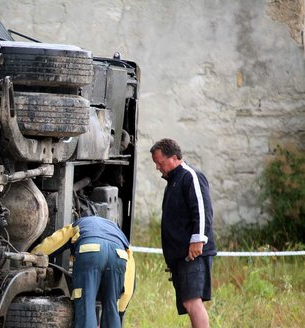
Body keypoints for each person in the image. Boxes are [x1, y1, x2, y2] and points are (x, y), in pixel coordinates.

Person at [150, 138, 216, 328]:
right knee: (190, 303)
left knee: (192, 302)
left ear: (174, 158)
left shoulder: (190, 176)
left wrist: (198, 241)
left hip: (192, 254)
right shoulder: (173, 182)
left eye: (160, 162)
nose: (157, 168)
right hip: (181, 256)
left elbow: (203, 210)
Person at [30, 215, 135, 328]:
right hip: (119, 255)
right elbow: (129, 284)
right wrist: (120, 312)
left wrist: (32, 255)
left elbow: (53, 242)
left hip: (90, 250)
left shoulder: (78, 224)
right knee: (112, 306)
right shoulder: (120, 235)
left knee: (87, 305)